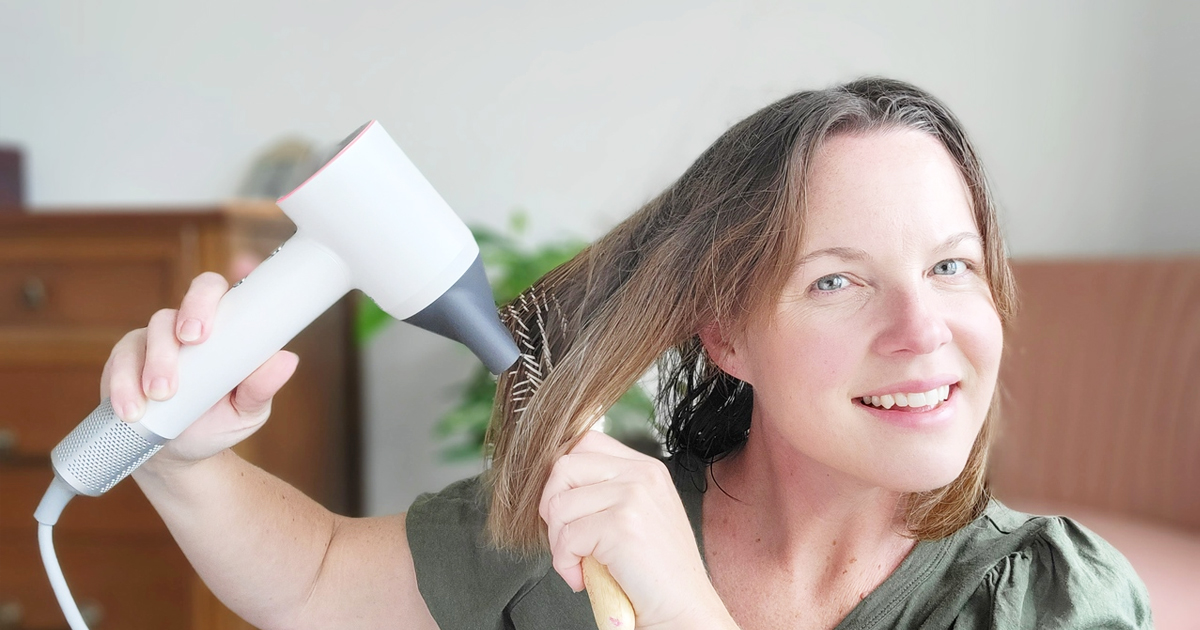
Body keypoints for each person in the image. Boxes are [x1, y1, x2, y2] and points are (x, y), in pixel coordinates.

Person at [108, 78, 1151, 629]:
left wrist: (683, 607)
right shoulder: (605, 520)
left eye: (953, 268)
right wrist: (178, 454)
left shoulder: (1050, 599)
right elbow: (318, 581)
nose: (923, 333)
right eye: (838, 280)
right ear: (726, 332)